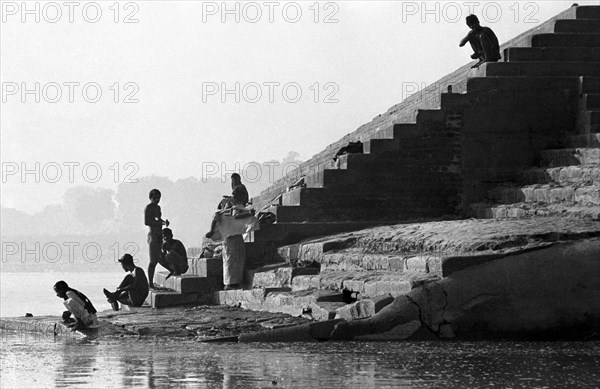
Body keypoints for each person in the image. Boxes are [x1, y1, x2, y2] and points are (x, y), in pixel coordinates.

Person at [205, 173, 250, 239]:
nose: (233, 182)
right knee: (222, 204)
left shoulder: (240, 187)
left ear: (238, 179)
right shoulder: (238, 187)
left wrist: (230, 199)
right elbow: (235, 197)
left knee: (218, 212)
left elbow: (239, 198)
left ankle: (211, 231)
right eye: (232, 180)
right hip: (236, 204)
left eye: (234, 179)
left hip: (239, 206)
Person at [145, 188, 169, 288]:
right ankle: (150, 282)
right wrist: (159, 222)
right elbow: (146, 222)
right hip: (153, 236)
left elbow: (159, 219)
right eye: (155, 198)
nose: (157, 200)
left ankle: (172, 270)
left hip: (159, 235)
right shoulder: (148, 207)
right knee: (153, 261)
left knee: (159, 257)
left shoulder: (158, 208)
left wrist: (164, 223)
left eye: (158, 198)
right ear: (151, 198)